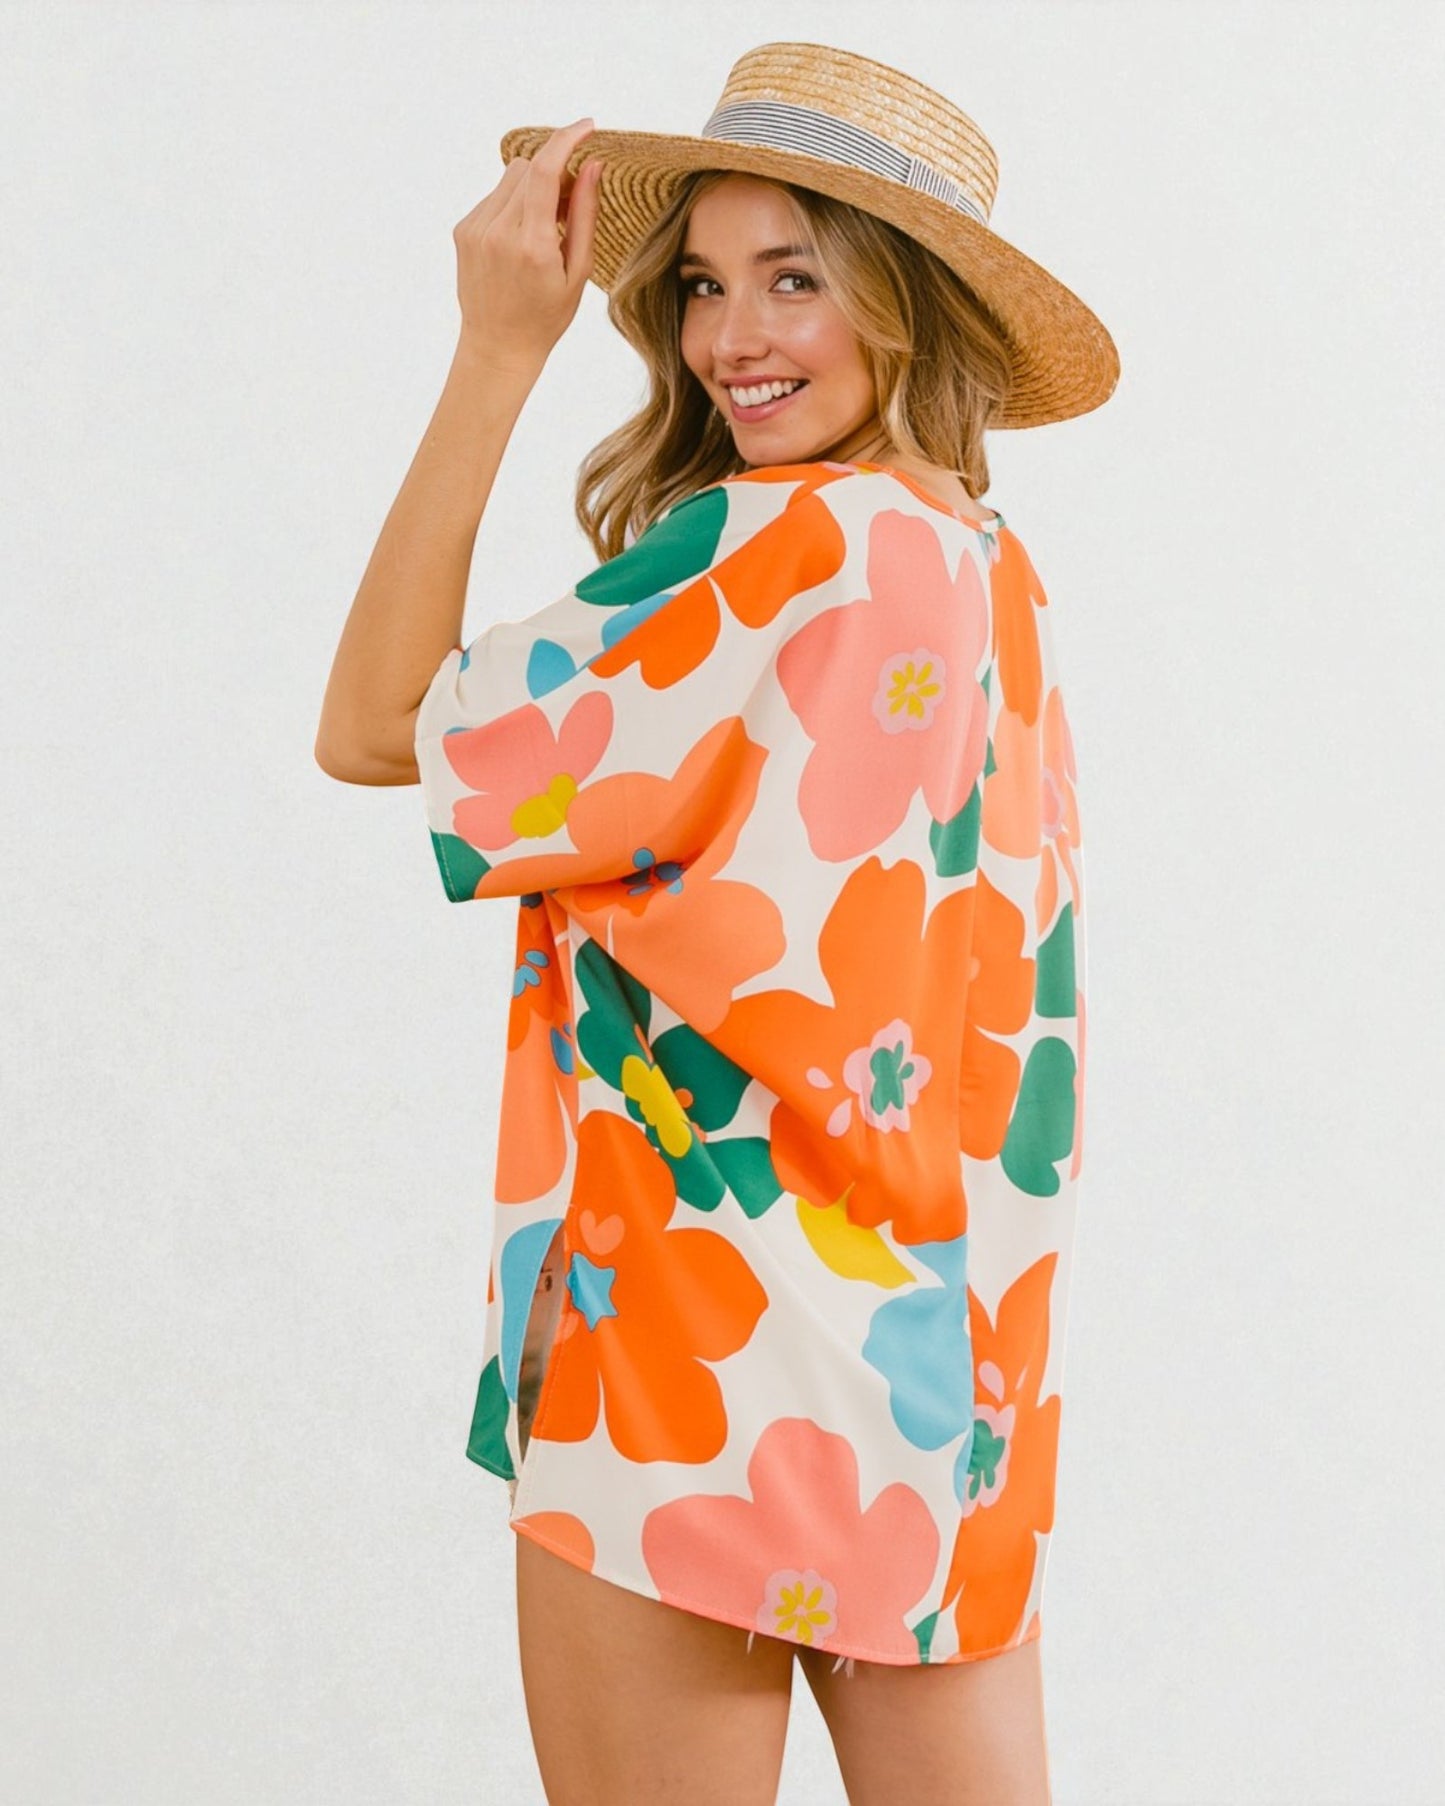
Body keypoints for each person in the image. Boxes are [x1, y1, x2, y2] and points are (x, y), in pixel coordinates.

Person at [315, 40, 1118, 1806]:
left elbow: (372, 724)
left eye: (796, 279)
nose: (732, 336)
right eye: (698, 284)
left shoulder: (770, 546)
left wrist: (493, 349)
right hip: (943, 1368)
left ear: (903, 304)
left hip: (683, 1332)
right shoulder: (984, 565)